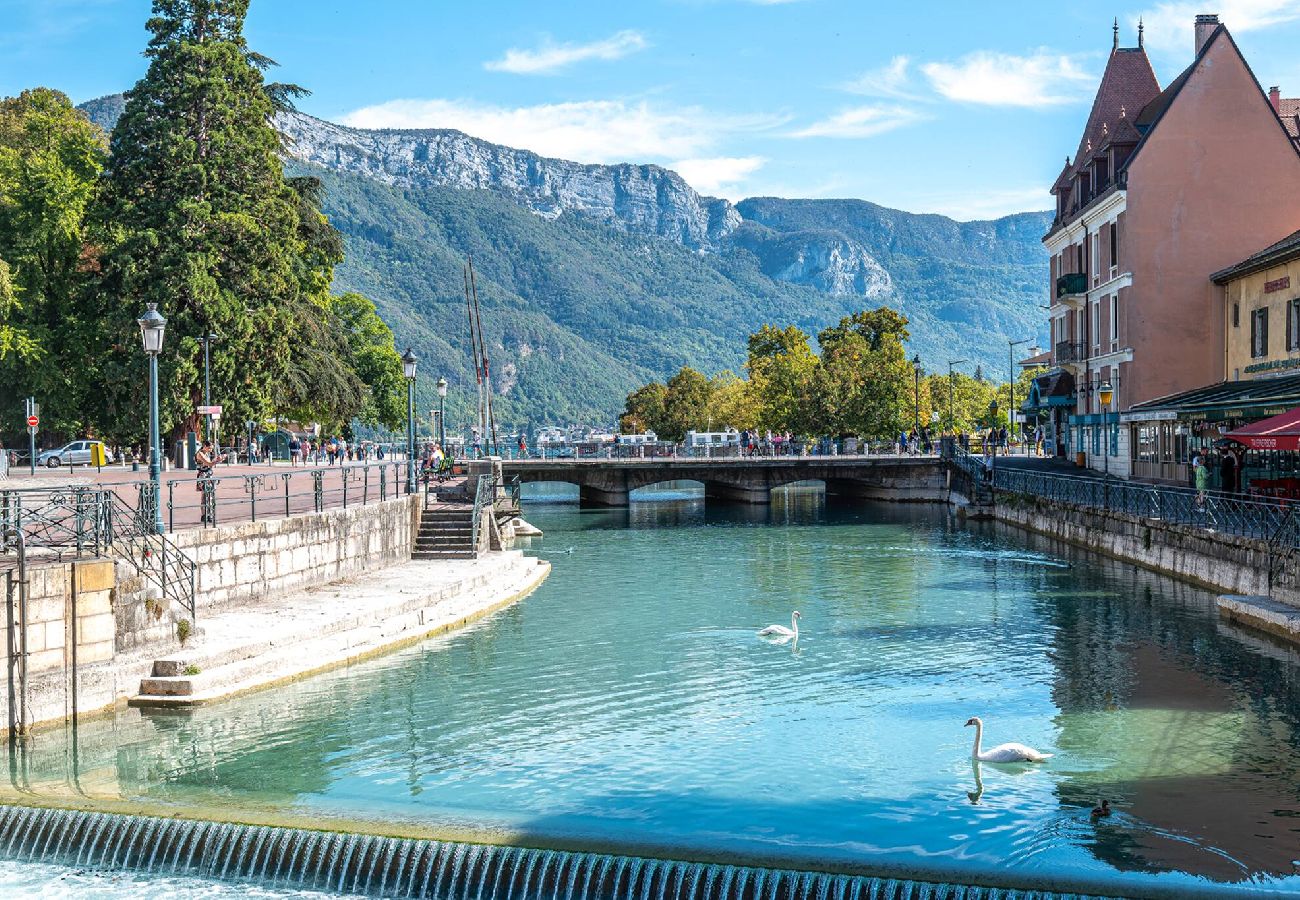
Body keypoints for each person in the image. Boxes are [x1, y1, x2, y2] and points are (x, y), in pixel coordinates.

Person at [195, 440, 216, 524]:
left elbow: (209, 464)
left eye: (211, 449)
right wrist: (218, 460)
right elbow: (208, 463)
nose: (211, 450)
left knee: (210, 494)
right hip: (203, 475)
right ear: (205, 446)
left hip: (208, 475)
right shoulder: (200, 454)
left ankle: (209, 514)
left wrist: (215, 460)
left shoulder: (206, 453)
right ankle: (204, 515)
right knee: (204, 495)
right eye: (210, 448)